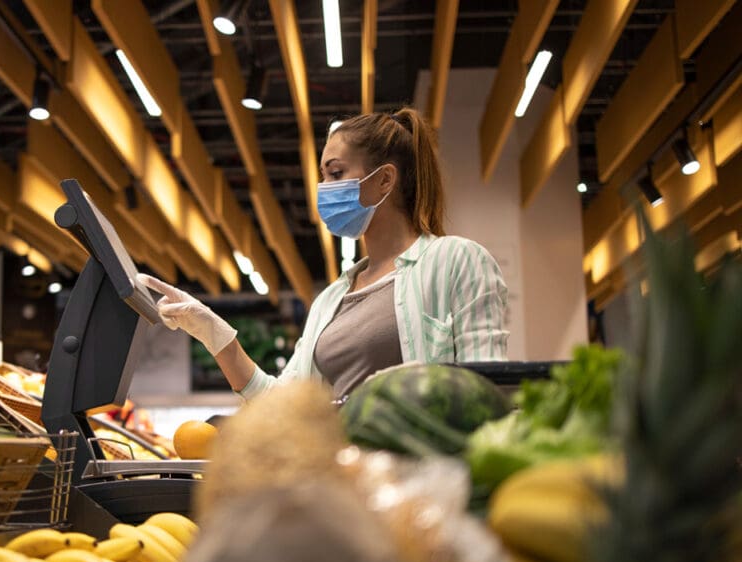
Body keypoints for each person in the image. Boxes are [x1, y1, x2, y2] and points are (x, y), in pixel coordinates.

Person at [138, 107, 509, 402]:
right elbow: (283, 404)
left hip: (429, 481)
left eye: (335, 173)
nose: (323, 188)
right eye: (323, 176)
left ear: (384, 180)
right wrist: (214, 333)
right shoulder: (330, 300)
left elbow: (489, 390)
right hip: (345, 483)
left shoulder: (455, 261)